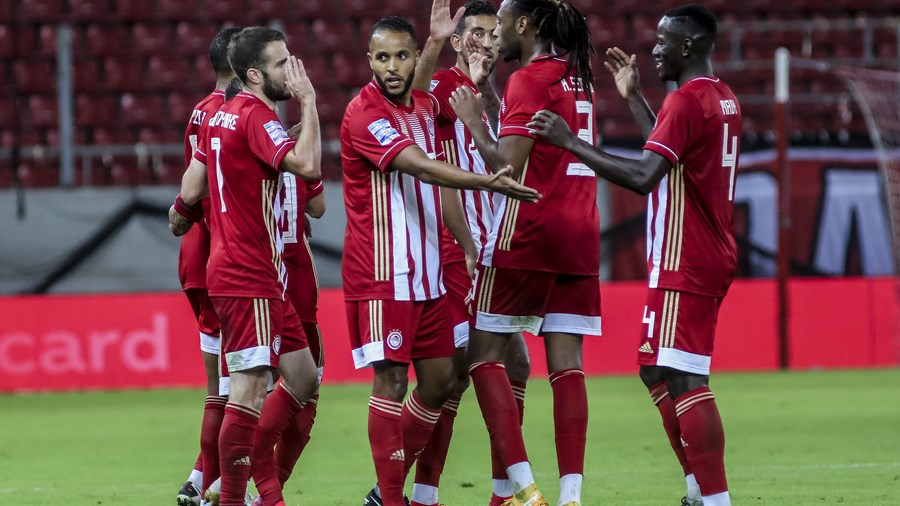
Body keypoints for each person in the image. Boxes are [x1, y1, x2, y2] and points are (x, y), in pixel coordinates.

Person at [527, 5, 739, 506]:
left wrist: (570, 142)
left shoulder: (686, 101)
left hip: (686, 257)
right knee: (655, 368)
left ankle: (714, 499)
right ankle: (698, 488)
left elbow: (644, 176)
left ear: (689, 45)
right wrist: (634, 98)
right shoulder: (720, 96)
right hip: (703, 251)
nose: (655, 49)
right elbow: (667, 154)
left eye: (664, 41)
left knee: (685, 374)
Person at [339, 10, 540, 506]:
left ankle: (420, 492)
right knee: (394, 380)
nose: (391, 67)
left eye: (400, 57)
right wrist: (487, 182)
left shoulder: (428, 107)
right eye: (382, 57)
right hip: (385, 273)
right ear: (369, 60)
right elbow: (425, 168)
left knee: (443, 380)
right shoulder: (367, 112)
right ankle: (398, 496)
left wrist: (469, 244)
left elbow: (441, 180)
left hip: (432, 272)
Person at [448, 1, 600, 505]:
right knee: (567, 366)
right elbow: (523, 129)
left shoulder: (529, 80)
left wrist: (473, 119)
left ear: (523, 24)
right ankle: (572, 497)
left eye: (501, 27)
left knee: (482, 356)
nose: (495, 39)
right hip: (580, 232)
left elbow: (506, 167)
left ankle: (526, 491)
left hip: (528, 231)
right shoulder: (578, 78)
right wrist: (489, 94)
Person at [169, 26, 322, 506]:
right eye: (281, 64)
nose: (291, 71)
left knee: (303, 377)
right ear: (254, 74)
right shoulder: (257, 116)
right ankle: (231, 495)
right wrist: (309, 102)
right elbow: (310, 168)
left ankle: (246, 485)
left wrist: (179, 213)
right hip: (247, 273)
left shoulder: (220, 114)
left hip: (258, 273)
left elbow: (191, 188)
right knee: (248, 392)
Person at [407, 2, 531, 505]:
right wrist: (468, 246)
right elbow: (412, 99)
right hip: (458, 254)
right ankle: (407, 489)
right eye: (477, 33)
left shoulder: (494, 98)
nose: (488, 42)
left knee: (506, 367)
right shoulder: (442, 89)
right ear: (458, 41)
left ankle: (477, 493)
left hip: (493, 249)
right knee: (458, 375)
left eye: (494, 34)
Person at [175, 27, 242, 506]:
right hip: (225, 251)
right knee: (242, 383)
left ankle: (201, 479)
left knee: (222, 382)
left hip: (196, 252)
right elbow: (199, 187)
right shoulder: (233, 113)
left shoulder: (200, 108)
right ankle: (219, 484)